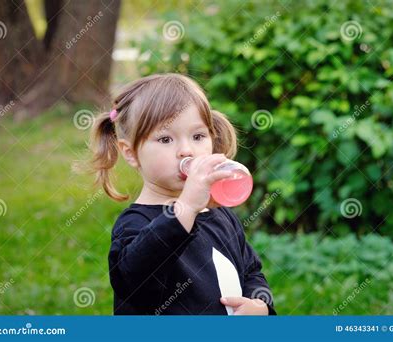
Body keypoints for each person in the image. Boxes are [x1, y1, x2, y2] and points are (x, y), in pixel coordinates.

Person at [88, 73, 276, 315]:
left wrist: (260, 305)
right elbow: (136, 287)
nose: (186, 150)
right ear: (131, 153)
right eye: (165, 139)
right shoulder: (134, 225)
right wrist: (185, 208)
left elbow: (251, 272)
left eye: (198, 136)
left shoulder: (223, 217)